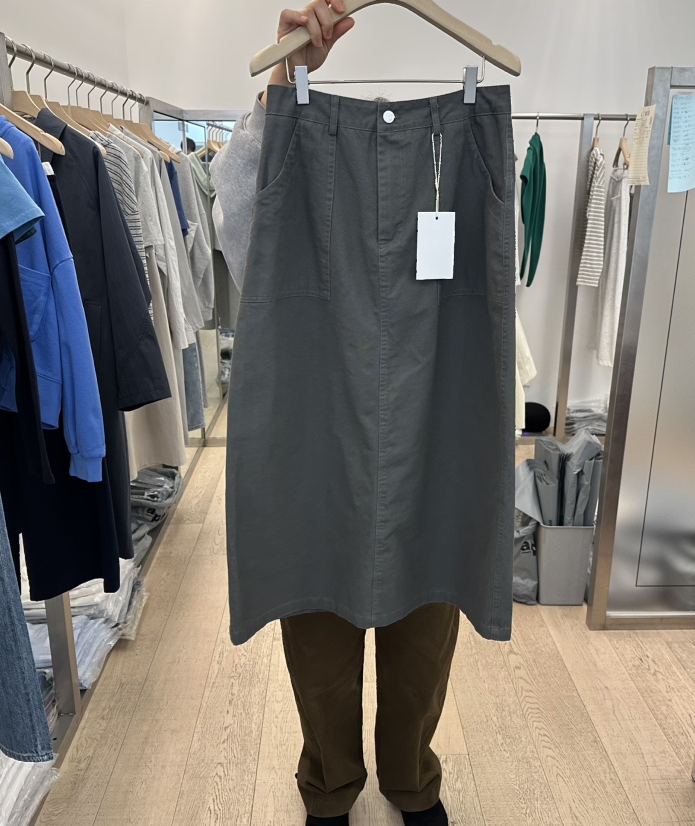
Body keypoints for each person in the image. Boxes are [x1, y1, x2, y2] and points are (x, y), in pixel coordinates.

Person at [214, 3, 515, 824]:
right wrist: (284, 79)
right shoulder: (286, 142)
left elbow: (495, 290)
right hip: (311, 375)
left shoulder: (473, 147)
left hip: (440, 371)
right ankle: (329, 783)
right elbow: (238, 229)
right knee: (314, 594)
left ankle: (411, 778)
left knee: (430, 592)